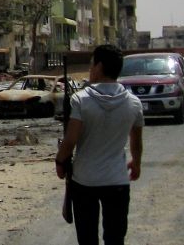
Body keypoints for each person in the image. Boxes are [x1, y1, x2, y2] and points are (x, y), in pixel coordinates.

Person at [55, 44, 143, 245]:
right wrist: (136, 163)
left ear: (99, 66)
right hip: (117, 181)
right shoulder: (134, 103)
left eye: (91, 64)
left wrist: (60, 162)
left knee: (87, 239)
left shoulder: (80, 100)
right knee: (115, 238)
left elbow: (70, 141)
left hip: (84, 181)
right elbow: (136, 140)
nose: (90, 68)